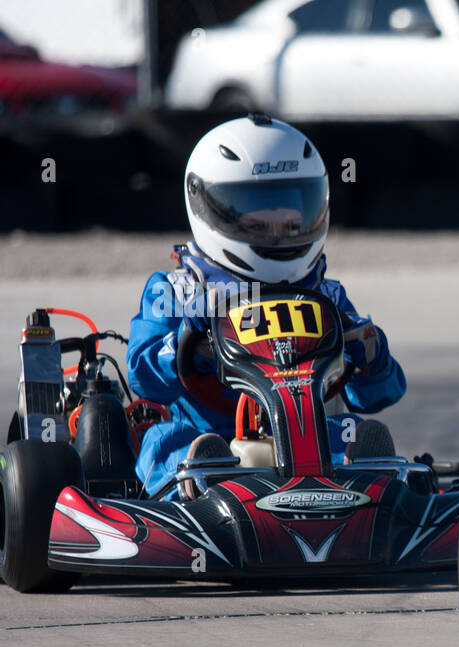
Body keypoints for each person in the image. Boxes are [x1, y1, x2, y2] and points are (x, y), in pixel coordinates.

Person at [126, 114, 405, 497]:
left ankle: (371, 481)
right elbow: (142, 375)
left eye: (290, 224)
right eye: (259, 225)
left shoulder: (326, 294)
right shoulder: (178, 290)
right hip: (210, 435)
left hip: (308, 436)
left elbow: (379, 395)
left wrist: (370, 356)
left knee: (351, 431)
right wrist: (190, 344)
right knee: (163, 440)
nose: (277, 234)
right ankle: (202, 483)